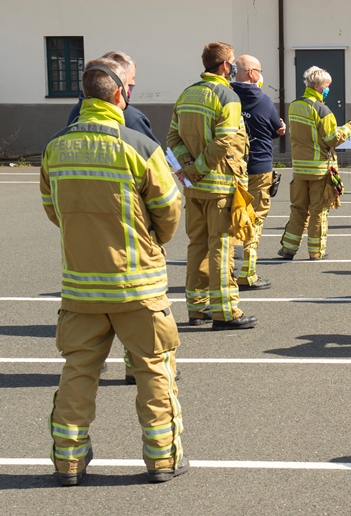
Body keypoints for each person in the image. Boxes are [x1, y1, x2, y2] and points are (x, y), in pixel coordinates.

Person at [41, 57, 187, 485]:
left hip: (80, 287)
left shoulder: (54, 148)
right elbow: (169, 211)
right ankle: (163, 459)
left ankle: (68, 462)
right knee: (154, 371)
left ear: (83, 96)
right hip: (139, 285)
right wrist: (150, 239)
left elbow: (55, 211)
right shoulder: (138, 146)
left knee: (78, 373)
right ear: (121, 95)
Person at [68, 51, 164, 384]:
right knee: (138, 321)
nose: (133, 91)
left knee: (80, 364)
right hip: (131, 253)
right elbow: (164, 199)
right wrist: (153, 235)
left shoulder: (68, 127)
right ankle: (134, 367)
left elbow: (53, 203)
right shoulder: (132, 122)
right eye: (132, 84)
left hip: (81, 260)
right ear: (118, 90)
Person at [167, 41, 257, 330]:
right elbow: (225, 140)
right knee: (221, 248)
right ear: (225, 66)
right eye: (231, 62)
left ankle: (197, 307)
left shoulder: (187, 94)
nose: (232, 67)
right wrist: (200, 169)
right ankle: (225, 312)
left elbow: (173, 139)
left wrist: (189, 170)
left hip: (193, 189)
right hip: (219, 187)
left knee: (197, 245)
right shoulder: (227, 96)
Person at [277, 66, 351, 260]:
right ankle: (316, 251)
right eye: (327, 86)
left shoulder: (295, 105)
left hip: (299, 168)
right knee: (319, 211)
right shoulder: (322, 110)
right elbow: (333, 138)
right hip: (319, 169)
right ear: (317, 86)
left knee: (298, 209)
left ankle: (288, 249)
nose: (328, 89)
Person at [231, 54, 286, 289]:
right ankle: (247, 274)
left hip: (231, 167)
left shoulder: (225, 97)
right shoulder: (263, 101)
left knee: (230, 220)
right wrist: (279, 129)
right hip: (259, 165)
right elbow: (275, 127)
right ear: (252, 73)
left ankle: (227, 271)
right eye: (260, 70)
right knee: (254, 220)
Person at [66, 51, 159, 144]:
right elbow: (151, 152)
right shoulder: (132, 117)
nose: (133, 83)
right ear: (120, 79)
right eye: (132, 78)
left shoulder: (77, 112)